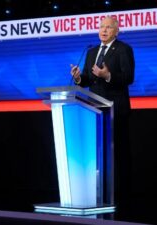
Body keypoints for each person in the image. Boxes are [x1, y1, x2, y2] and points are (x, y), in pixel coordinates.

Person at [70, 16, 135, 218]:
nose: (104, 30)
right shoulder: (91, 52)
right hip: (94, 111)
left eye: (108, 27)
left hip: (116, 111)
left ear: (116, 31)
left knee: (116, 156)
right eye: (101, 27)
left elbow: (129, 77)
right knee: (97, 156)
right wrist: (79, 78)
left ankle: (120, 199)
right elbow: (89, 80)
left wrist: (107, 75)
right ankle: (98, 195)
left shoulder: (123, 49)